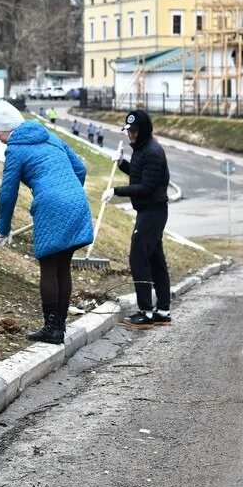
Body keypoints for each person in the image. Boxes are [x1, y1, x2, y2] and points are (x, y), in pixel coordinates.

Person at [0, 100, 94, 345]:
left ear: (8, 129)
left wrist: (2, 229)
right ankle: (58, 327)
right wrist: (69, 194)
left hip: (52, 206)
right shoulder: (51, 137)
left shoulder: (16, 149)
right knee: (62, 266)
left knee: (48, 267)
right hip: (77, 203)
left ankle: (51, 329)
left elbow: (7, 192)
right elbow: (80, 169)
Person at [103, 109, 171, 329]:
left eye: (133, 131)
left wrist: (116, 191)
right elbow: (139, 173)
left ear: (143, 131)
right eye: (129, 131)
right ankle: (163, 311)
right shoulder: (143, 149)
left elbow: (147, 186)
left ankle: (146, 313)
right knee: (156, 260)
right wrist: (123, 163)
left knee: (138, 257)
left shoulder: (153, 152)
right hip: (149, 211)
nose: (130, 135)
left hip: (153, 211)